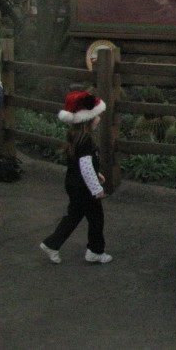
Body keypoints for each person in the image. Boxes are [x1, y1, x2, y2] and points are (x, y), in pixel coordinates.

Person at [40, 91, 113, 264]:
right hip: (84, 188)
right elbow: (86, 167)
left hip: (73, 183)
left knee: (74, 216)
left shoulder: (75, 136)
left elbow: (81, 165)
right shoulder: (86, 140)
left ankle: (52, 243)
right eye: (96, 116)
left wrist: (98, 174)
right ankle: (95, 250)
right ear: (87, 119)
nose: (99, 119)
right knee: (96, 217)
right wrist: (96, 189)